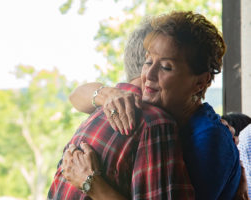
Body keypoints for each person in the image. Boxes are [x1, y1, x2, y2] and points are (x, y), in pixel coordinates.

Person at [64, 11, 242, 200]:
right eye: (148, 61)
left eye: (166, 67)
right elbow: (76, 96)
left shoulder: (208, 139)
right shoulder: (153, 104)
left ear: (200, 82)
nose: (149, 75)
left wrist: (91, 183)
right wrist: (107, 95)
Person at [47, 19, 195, 200]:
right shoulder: (155, 123)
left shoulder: (100, 112)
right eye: (160, 64)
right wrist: (91, 183)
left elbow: (75, 95)